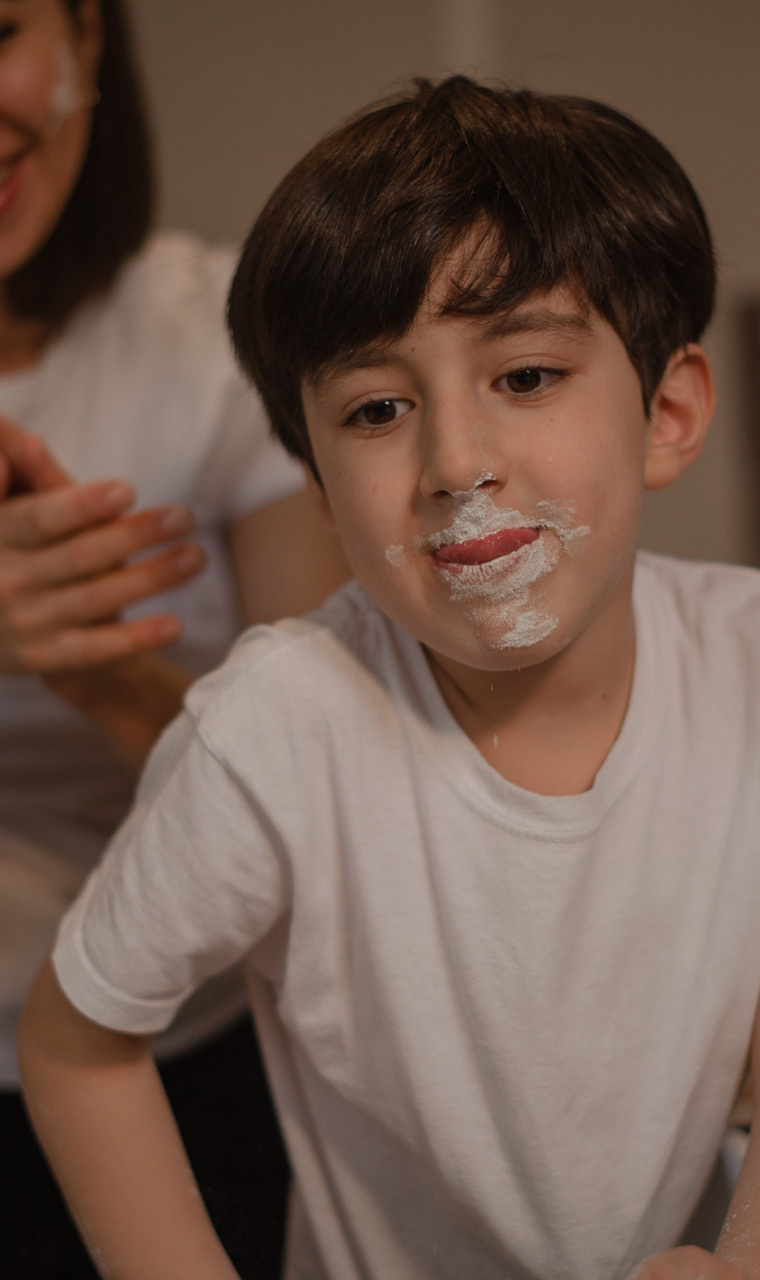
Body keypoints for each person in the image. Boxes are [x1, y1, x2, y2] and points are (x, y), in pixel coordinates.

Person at [18, 76, 760, 1280]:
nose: (456, 461)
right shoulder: (274, 729)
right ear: (316, 486)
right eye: (375, 409)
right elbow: (73, 1039)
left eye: (526, 377)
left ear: (666, 411)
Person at [0, 1, 345, 1277]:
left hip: (186, 1041)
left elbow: (328, 802)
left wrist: (93, 666)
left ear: (86, 38)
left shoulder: (218, 338)